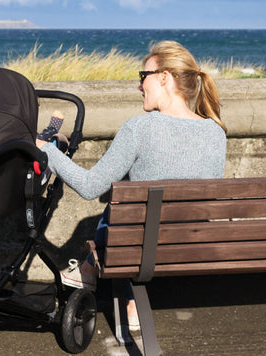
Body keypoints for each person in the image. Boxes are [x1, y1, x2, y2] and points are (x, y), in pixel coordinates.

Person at [36, 40, 227, 330]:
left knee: (125, 208)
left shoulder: (140, 127)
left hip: (142, 250)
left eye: (143, 76)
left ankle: (95, 272)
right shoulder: (216, 132)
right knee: (136, 206)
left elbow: (90, 187)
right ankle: (131, 300)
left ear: (164, 78)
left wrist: (47, 150)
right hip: (190, 249)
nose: (139, 86)